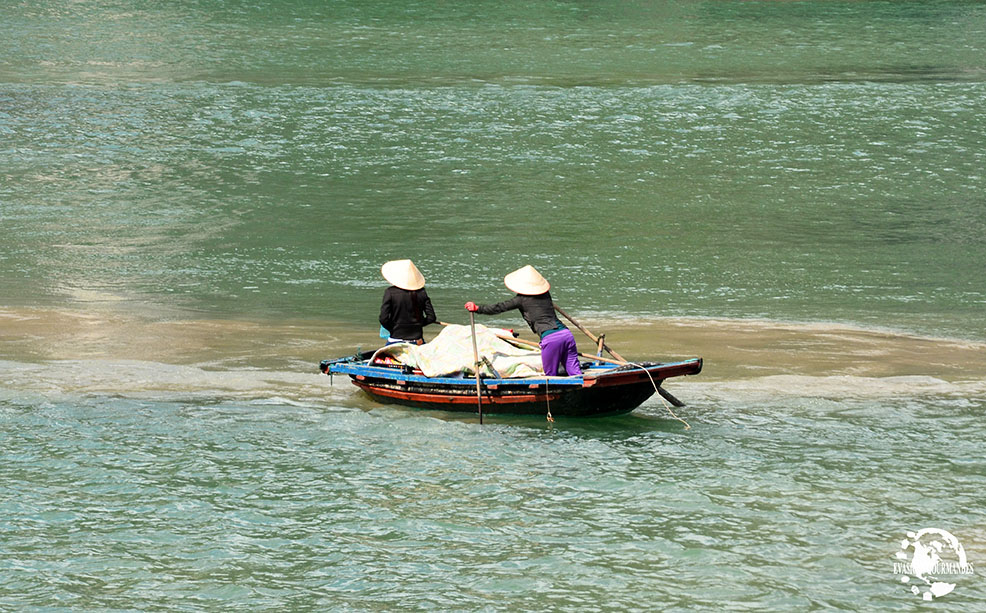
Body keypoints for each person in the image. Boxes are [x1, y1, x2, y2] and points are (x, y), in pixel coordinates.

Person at [465, 265, 582, 376]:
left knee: (550, 376)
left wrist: (477, 308)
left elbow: (499, 307)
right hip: (567, 335)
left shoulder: (520, 299)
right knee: (575, 373)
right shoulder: (546, 294)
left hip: (551, 339)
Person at [379, 259, 437, 345]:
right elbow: (431, 317)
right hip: (417, 341)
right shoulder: (422, 292)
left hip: (396, 339)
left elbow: (383, 319)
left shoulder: (390, 292)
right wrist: (418, 324)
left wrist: (394, 328)